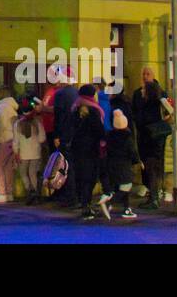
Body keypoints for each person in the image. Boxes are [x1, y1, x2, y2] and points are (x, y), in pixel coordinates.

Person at [132, 66, 170, 210]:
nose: (145, 76)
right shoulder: (137, 93)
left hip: (155, 134)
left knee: (152, 164)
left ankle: (154, 196)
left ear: (153, 76)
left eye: (148, 74)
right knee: (146, 164)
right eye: (143, 73)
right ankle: (152, 194)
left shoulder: (158, 92)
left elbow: (168, 110)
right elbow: (134, 111)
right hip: (143, 133)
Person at [70, 84, 107, 220]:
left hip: (77, 148)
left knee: (80, 176)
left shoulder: (75, 108)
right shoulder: (94, 110)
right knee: (90, 178)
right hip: (91, 149)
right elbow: (99, 130)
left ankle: (82, 202)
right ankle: (87, 205)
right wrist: (104, 141)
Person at [49, 68, 79, 206]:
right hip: (76, 135)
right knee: (74, 165)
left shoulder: (60, 94)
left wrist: (56, 135)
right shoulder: (76, 93)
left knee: (65, 166)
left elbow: (58, 116)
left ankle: (69, 197)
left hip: (65, 135)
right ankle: (76, 197)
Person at [107, 100, 140, 219]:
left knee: (118, 186)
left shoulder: (110, 136)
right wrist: (137, 161)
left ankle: (126, 208)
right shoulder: (127, 138)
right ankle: (110, 202)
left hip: (111, 165)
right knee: (126, 186)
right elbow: (132, 152)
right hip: (124, 165)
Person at [13, 99, 47, 203]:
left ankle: (29, 191)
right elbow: (42, 139)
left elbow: (16, 141)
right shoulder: (37, 123)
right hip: (35, 152)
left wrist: (16, 152)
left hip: (23, 153)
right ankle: (36, 193)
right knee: (33, 173)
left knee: (23, 173)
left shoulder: (18, 124)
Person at [0, 86, 19, 203]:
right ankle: (9, 192)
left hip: (4, 139)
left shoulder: (2, 107)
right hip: (12, 139)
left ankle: (2, 193)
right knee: (8, 167)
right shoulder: (11, 107)